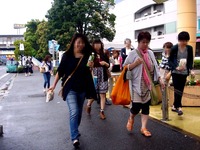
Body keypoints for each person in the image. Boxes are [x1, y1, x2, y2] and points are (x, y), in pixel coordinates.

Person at [49, 33, 96, 148]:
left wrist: (91, 66)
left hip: (82, 88)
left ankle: (75, 129)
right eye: (78, 42)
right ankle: (74, 137)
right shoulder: (67, 56)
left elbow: (88, 72)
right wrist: (53, 86)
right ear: (74, 42)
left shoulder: (87, 56)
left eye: (82, 42)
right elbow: (60, 72)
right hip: (70, 89)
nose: (80, 44)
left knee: (79, 113)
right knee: (74, 111)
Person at [124, 31, 164, 137]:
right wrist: (135, 64)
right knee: (136, 107)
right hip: (136, 85)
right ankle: (131, 117)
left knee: (146, 107)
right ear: (139, 42)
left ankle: (143, 128)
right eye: (143, 42)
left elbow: (155, 66)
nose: (145, 44)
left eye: (147, 42)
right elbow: (124, 67)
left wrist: (160, 79)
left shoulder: (150, 53)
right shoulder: (133, 53)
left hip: (148, 84)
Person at [168, 31, 195, 116]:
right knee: (177, 89)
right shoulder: (174, 48)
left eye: (185, 41)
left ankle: (174, 106)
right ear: (179, 40)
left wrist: (191, 70)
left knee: (181, 90)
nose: (184, 42)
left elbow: (190, 60)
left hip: (184, 72)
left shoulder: (189, 48)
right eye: (182, 41)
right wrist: (175, 67)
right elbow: (170, 60)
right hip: (176, 72)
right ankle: (179, 107)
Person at [86, 39, 110, 120]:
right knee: (94, 94)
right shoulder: (91, 54)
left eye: (99, 43)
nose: (97, 45)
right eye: (95, 44)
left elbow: (108, 65)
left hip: (103, 76)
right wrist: (91, 64)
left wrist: (105, 63)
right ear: (93, 45)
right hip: (95, 76)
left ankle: (102, 112)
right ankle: (89, 104)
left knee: (102, 94)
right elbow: (88, 66)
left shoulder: (104, 54)